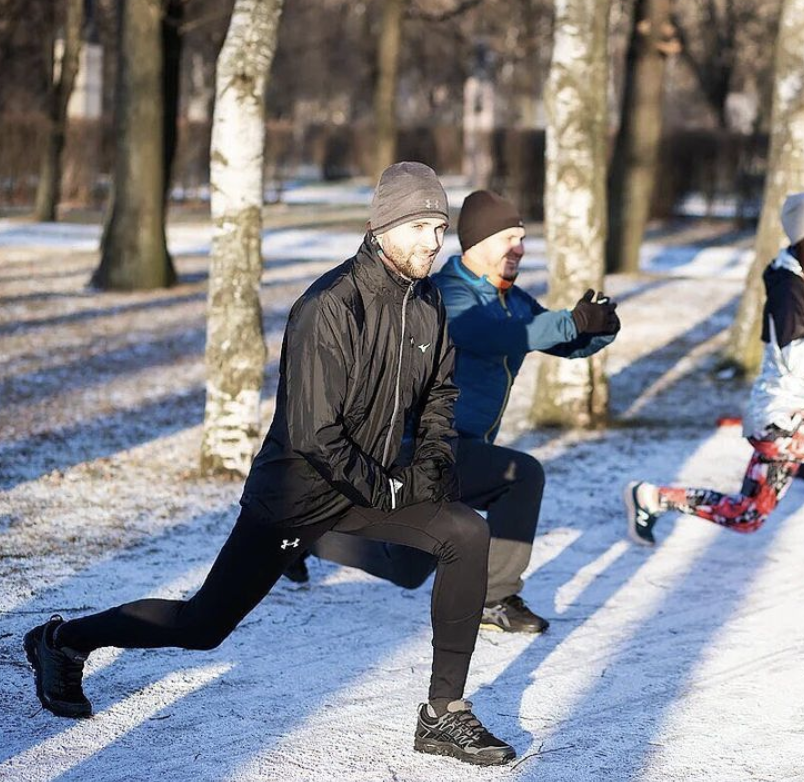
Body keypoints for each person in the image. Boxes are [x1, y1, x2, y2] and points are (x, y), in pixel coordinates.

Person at [22, 163, 517, 767]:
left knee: (466, 530)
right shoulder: (329, 306)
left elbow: (440, 395)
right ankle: (63, 640)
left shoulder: (429, 302)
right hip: (298, 494)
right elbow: (316, 435)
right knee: (202, 626)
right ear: (383, 225)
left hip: (372, 490)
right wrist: (391, 489)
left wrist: (432, 463)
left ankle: (444, 715)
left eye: (439, 227)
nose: (433, 242)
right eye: (419, 226)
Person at [293, 190, 620, 633]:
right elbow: (499, 335)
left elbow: (552, 337)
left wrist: (597, 329)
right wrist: (572, 320)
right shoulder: (447, 294)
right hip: (424, 443)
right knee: (520, 476)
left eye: (523, 239)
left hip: (462, 449)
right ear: (477, 244)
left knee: (407, 569)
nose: (519, 248)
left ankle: (304, 538)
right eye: (509, 238)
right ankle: (496, 598)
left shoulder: (513, 299)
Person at [623, 193, 804, 575]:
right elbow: (800, 359)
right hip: (782, 419)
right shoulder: (789, 287)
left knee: (747, 515)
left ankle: (652, 498)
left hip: (794, 416)